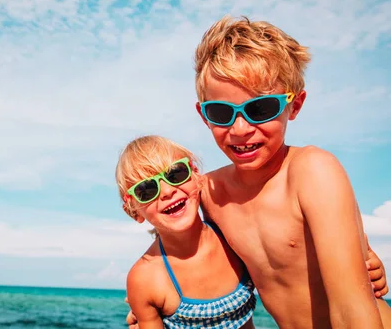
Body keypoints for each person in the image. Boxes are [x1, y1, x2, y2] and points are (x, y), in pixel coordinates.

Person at [125, 16, 391, 328]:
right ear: (203, 115)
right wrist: (151, 307)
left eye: (260, 109)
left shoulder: (312, 173)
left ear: (295, 105)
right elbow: (175, 237)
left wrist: (366, 259)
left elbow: (352, 309)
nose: (240, 129)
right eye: (222, 113)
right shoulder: (208, 193)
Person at [117, 135, 256, 328]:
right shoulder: (145, 278)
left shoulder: (231, 236)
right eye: (147, 190)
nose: (167, 191)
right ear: (134, 211)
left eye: (175, 174)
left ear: (196, 176)